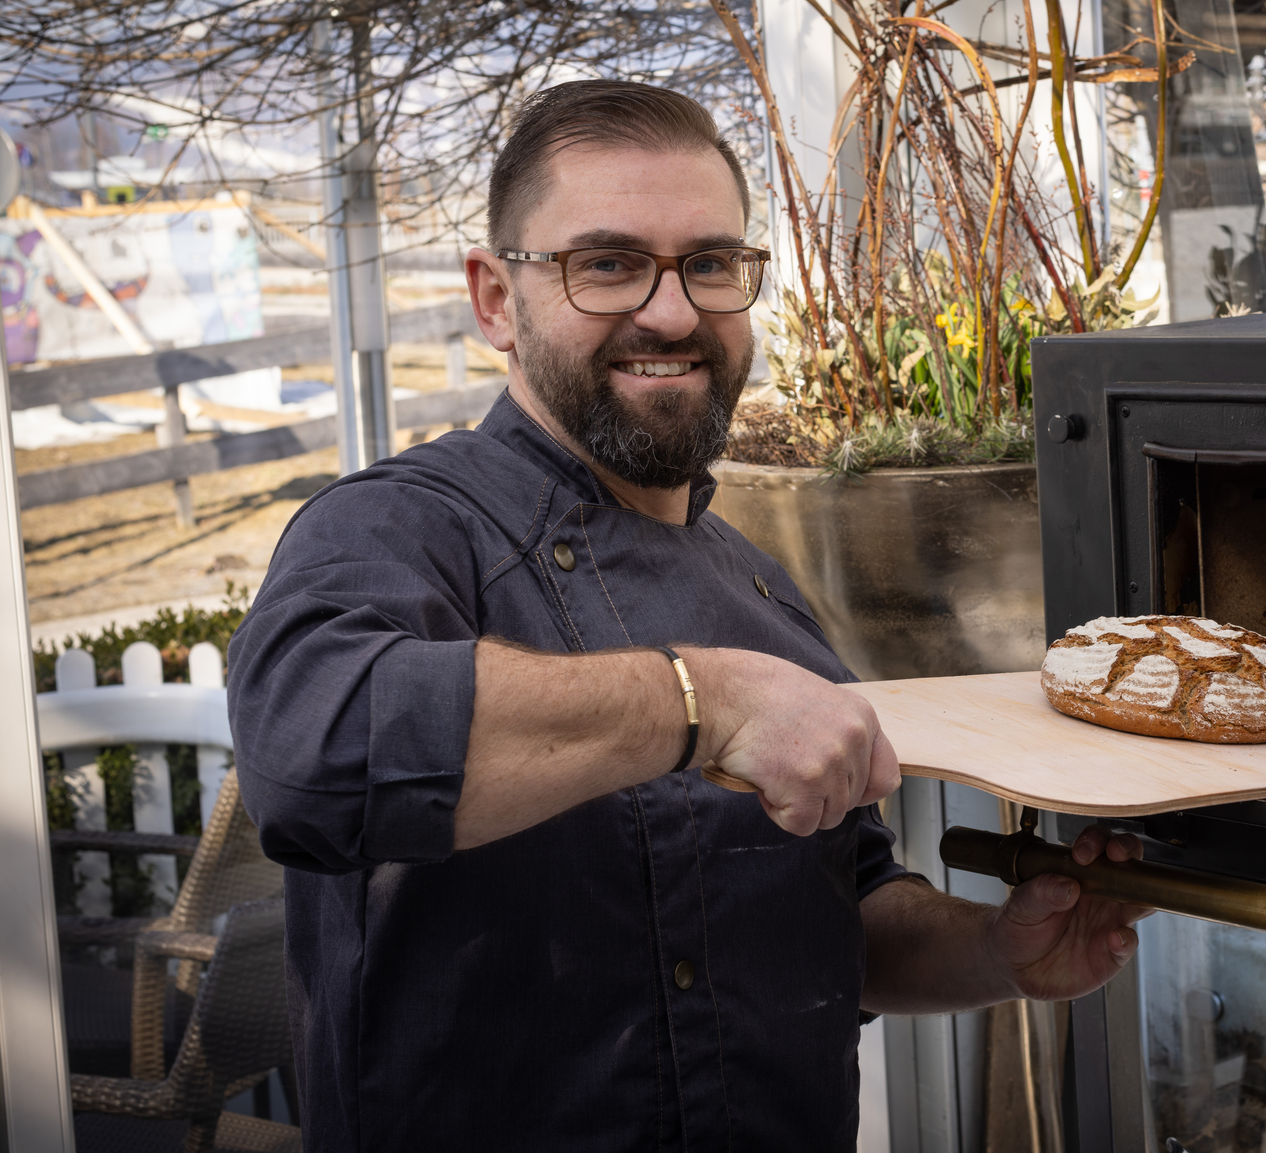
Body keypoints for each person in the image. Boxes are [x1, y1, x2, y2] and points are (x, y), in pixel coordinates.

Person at [226, 79, 1148, 1150]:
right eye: (607, 263)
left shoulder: (759, 588)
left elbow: (837, 914)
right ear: (494, 299)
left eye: (709, 264)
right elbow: (310, 753)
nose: (671, 313)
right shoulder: (395, 526)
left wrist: (999, 952)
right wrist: (698, 701)